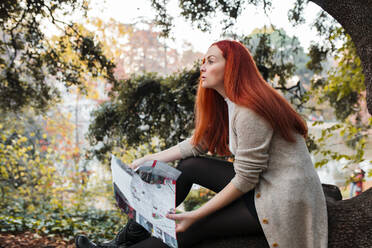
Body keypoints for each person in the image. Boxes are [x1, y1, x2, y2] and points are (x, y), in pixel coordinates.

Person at [76, 40, 328, 248]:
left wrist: (195, 215)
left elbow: (245, 180)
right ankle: (124, 240)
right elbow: (196, 145)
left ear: (232, 67)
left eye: (211, 60)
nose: (202, 68)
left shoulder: (250, 110)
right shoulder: (231, 103)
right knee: (191, 165)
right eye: (202, 61)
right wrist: (148, 159)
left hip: (281, 199)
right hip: (265, 183)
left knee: (189, 230)